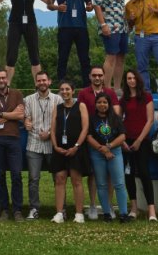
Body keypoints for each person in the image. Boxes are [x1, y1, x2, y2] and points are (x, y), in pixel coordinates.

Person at [0, 0, 51, 84]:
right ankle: (6, 86)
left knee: (35, 56)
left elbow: (48, 2)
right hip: (15, 23)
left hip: (30, 23)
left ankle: (39, 85)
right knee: (11, 56)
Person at [78, 67, 120, 219]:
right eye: (94, 75)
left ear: (104, 76)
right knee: (93, 174)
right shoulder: (83, 93)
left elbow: (116, 113)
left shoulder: (110, 92)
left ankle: (108, 205)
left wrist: (110, 132)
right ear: (90, 76)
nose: (97, 78)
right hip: (90, 137)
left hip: (108, 137)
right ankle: (93, 205)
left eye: (100, 75)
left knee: (109, 174)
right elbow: (81, 113)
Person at [0, 68, 26, 221]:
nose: (1, 80)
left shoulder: (17, 94)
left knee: (16, 174)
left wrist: (1, 114)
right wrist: (12, 115)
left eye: (3, 77)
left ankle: (17, 210)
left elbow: (21, 115)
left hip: (13, 138)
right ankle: (4, 209)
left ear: (7, 79)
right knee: (0, 175)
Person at [48, 0, 93, 87]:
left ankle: (87, 88)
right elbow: (49, 5)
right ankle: (62, 87)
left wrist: (89, 7)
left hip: (81, 27)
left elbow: (90, 5)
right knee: (62, 59)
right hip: (64, 27)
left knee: (85, 59)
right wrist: (58, 7)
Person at [86, 92, 131, 222]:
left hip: (115, 152)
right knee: (101, 184)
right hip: (97, 153)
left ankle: (123, 214)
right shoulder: (91, 118)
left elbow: (122, 136)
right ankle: (106, 213)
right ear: (95, 104)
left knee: (119, 183)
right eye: (99, 102)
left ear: (109, 104)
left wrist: (109, 146)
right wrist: (103, 150)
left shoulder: (115, 118)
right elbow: (89, 137)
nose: (102, 105)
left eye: (105, 102)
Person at [50, 80, 90, 224]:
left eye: (67, 89)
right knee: (59, 179)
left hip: (76, 149)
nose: (65, 92)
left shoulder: (81, 106)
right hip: (60, 149)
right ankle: (59, 213)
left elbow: (85, 128)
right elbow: (52, 129)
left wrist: (77, 146)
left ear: (73, 91)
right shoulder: (58, 108)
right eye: (62, 89)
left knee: (76, 180)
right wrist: (55, 146)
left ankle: (79, 214)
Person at [120, 70, 157, 221]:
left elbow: (150, 120)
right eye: (129, 78)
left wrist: (139, 140)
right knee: (128, 174)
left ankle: (151, 210)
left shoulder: (146, 97)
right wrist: (122, 141)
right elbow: (118, 121)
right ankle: (134, 208)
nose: (131, 80)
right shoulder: (123, 99)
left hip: (142, 141)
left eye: (134, 78)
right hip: (126, 142)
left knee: (144, 173)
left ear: (138, 79)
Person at [23, 70, 58, 221]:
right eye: (39, 80)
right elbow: (26, 118)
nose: (42, 83)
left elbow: (60, 121)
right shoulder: (28, 99)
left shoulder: (58, 99)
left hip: (52, 144)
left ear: (49, 81)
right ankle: (34, 208)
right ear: (36, 82)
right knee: (33, 178)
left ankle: (60, 209)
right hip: (34, 143)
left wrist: (49, 133)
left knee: (58, 178)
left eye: (44, 80)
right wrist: (26, 122)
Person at [92, 0, 127, 94]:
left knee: (121, 56)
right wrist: (103, 24)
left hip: (123, 26)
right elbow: (96, 5)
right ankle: (106, 88)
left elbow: (122, 4)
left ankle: (117, 88)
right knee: (111, 56)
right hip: (110, 26)